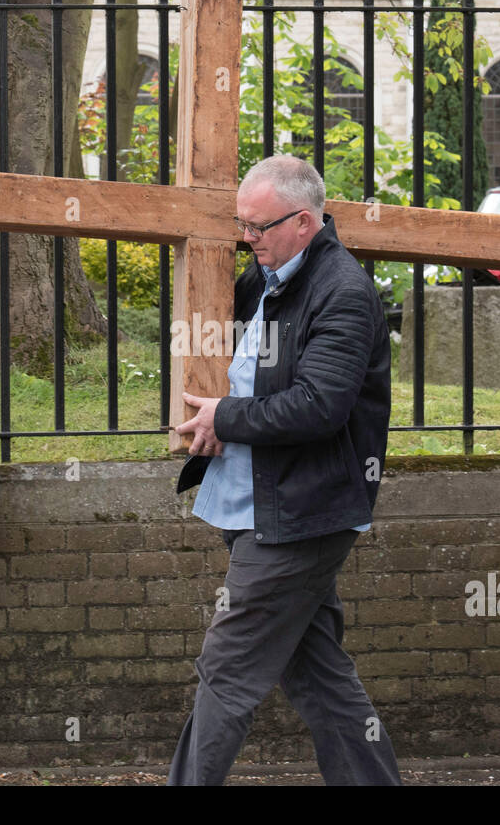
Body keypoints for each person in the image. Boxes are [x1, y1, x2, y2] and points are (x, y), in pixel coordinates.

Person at [167, 154, 401, 785]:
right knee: (317, 673)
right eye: (242, 225)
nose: (248, 238)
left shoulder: (343, 294)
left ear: (304, 222)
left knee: (227, 670)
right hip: (255, 505)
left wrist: (225, 418)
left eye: (258, 227)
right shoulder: (261, 279)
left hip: (301, 517)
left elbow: (318, 406)